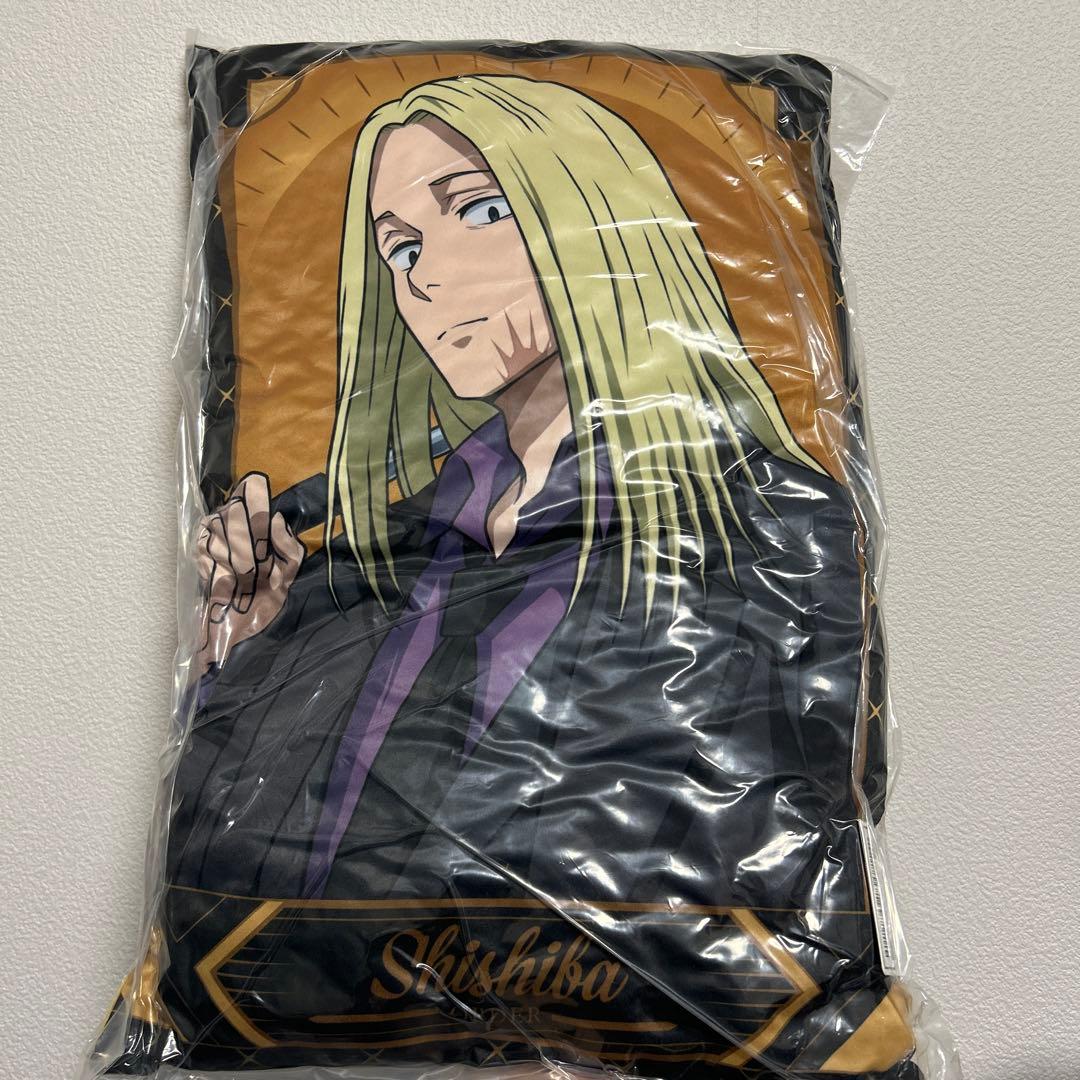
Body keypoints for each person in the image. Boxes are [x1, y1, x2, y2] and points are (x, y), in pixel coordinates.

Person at [164, 75, 912, 1077]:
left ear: (602, 225)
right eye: (402, 249)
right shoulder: (366, 556)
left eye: (479, 211)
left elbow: (777, 877)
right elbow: (238, 892)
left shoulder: (773, 525)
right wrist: (243, 659)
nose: (428, 279)